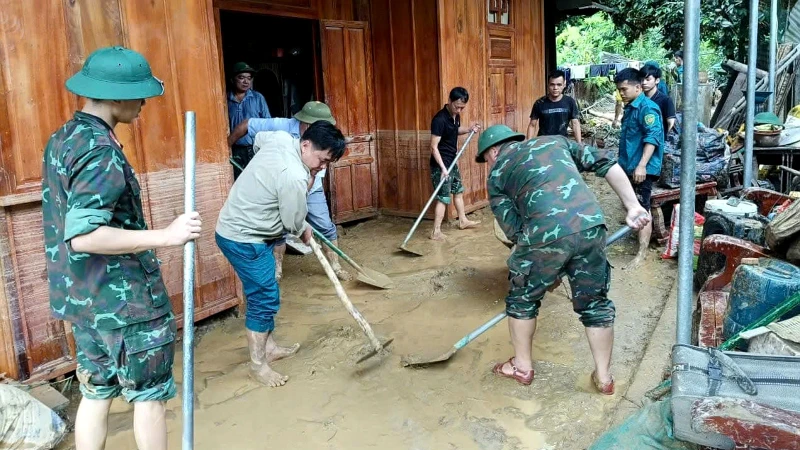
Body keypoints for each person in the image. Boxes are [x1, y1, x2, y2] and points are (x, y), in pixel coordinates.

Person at [42, 46, 202, 450]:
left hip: (83, 298)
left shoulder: (65, 137)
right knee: (148, 396)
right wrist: (167, 235)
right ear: (115, 96)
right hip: (125, 302)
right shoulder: (100, 151)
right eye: (139, 93)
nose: (145, 102)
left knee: (97, 392)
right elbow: (85, 235)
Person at [475, 124, 649, 394]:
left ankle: (522, 367)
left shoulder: (497, 173)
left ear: (494, 151)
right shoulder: (556, 142)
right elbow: (606, 162)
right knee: (595, 304)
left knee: (522, 298)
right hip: (591, 225)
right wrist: (633, 205)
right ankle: (604, 378)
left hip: (544, 233)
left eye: (485, 158)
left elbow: (515, 232)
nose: (487, 163)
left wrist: (542, 269)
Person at [215, 121, 346, 387]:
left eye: (328, 163)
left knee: (266, 290)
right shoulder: (294, 176)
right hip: (244, 237)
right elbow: (292, 222)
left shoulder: (281, 138)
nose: (322, 168)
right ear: (306, 144)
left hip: (248, 227)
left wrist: (263, 179)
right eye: (322, 161)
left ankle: (270, 348)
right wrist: (303, 228)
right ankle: (258, 365)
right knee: (264, 297)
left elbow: (258, 139)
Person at [227, 101, 350, 281]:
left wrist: (300, 206)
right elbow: (248, 126)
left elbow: (312, 177)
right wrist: (226, 149)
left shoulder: (324, 145)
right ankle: (277, 269)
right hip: (280, 188)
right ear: (307, 125)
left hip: (310, 187)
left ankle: (336, 266)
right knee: (279, 229)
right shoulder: (281, 129)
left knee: (324, 225)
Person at [615, 68, 664, 270]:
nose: (621, 93)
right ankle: (639, 242)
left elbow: (652, 138)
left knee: (641, 209)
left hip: (642, 168)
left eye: (624, 89)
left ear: (637, 87)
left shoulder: (647, 109)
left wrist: (642, 165)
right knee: (632, 206)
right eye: (619, 90)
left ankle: (642, 254)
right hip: (629, 165)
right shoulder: (630, 107)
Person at [430, 87, 482, 241]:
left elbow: (455, 130)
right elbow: (433, 147)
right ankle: (435, 231)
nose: (459, 110)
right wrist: (443, 169)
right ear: (449, 101)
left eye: (462, 107)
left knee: (458, 191)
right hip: (441, 165)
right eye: (457, 106)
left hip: (452, 161)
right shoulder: (439, 120)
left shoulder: (455, 116)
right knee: (443, 198)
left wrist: (469, 129)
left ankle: (463, 220)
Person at [227, 62, 271, 179]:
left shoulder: (258, 98)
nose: (246, 82)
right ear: (232, 80)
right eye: (241, 78)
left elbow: (268, 123)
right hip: (234, 150)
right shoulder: (225, 100)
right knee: (237, 181)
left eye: (249, 78)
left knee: (257, 180)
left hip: (255, 148)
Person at [526, 70, 582, 143]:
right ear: (548, 84)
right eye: (552, 84)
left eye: (559, 84)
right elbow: (532, 125)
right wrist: (528, 144)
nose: (555, 88)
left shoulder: (570, 102)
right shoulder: (539, 103)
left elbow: (575, 124)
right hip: (543, 143)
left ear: (564, 84)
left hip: (563, 143)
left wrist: (579, 144)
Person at [641, 64, 677, 138]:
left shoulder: (665, 100)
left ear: (657, 80)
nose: (644, 82)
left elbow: (671, 122)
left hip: (658, 140)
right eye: (641, 79)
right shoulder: (638, 99)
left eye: (648, 79)